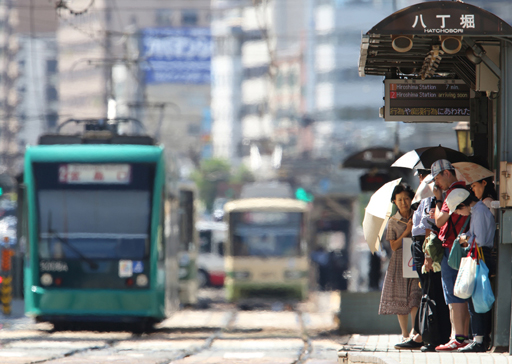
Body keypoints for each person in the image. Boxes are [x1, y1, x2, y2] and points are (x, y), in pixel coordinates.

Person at [395, 169, 451, 351]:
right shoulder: (424, 198)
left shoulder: (434, 198)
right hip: (419, 245)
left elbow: (430, 226)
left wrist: (427, 253)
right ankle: (421, 333)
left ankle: (430, 336)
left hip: (426, 246)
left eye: (425, 174)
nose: (421, 178)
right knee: (426, 290)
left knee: (430, 291)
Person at [445, 188, 496, 352]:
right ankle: (479, 337)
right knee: (476, 297)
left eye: (459, 209)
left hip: (480, 256)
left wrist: (464, 238)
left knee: (477, 298)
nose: (460, 214)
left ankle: (479, 339)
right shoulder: (478, 210)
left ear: (463, 204)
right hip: (479, 256)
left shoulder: (479, 211)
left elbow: (479, 240)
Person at [428, 159, 471, 352]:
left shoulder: (452, 193)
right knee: (462, 290)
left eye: (437, 177)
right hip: (462, 245)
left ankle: (458, 337)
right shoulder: (464, 190)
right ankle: (462, 335)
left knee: (454, 294)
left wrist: (438, 200)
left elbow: (439, 220)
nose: (437, 183)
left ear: (447, 173)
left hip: (451, 247)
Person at [378, 183, 422, 344]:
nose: (403, 202)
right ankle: (404, 334)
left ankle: (415, 331)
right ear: (395, 202)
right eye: (400, 200)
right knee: (401, 299)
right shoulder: (393, 222)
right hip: (399, 261)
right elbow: (394, 246)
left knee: (415, 296)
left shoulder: (418, 215)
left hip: (415, 259)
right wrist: (407, 231)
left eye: (406, 199)